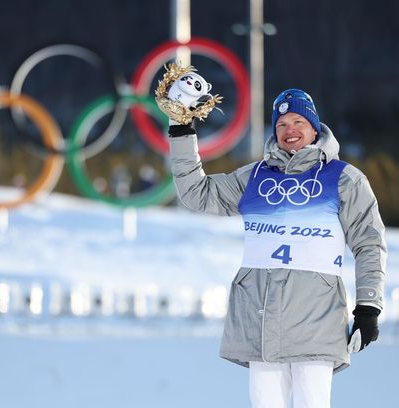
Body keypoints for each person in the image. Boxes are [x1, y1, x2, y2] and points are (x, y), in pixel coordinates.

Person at [163, 88, 387, 408]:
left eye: (298, 121)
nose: (289, 130)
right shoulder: (254, 178)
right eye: (281, 124)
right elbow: (196, 193)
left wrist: (369, 307)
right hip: (261, 325)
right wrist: (182, 127)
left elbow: (369, 243)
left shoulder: (344, 179)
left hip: (317, 324)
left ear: (314, 128)